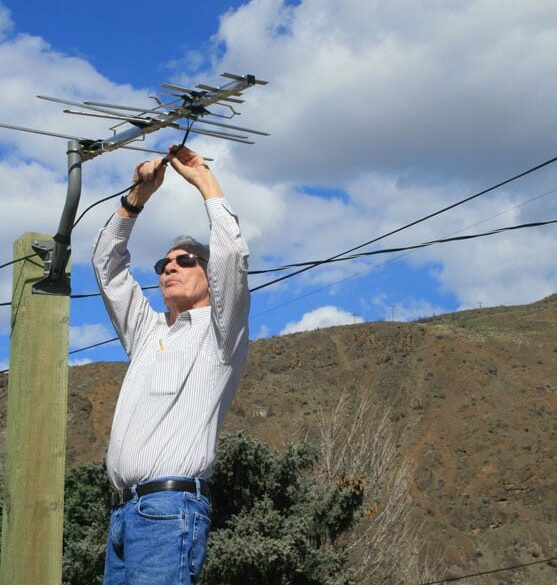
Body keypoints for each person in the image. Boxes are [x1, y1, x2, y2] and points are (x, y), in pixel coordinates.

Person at [92, 145, 250, 585]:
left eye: (185, 260)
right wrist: (136, 199)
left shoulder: (221, 333)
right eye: (163, 264)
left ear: (208, 277)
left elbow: (231, 259)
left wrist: (203, 180)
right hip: (124, 513)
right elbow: (107, 269)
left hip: (169, 509)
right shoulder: (148, 331)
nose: (170, 268)